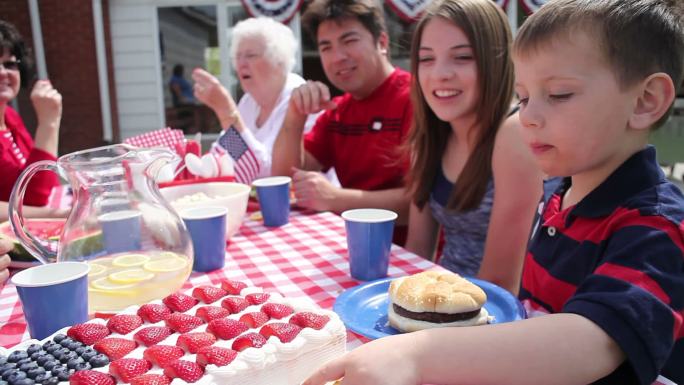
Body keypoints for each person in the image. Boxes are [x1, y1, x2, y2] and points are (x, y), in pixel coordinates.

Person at [303, 0, 684, 384]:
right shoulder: (561, 201)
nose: (529, 117)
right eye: (524, 97)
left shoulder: (657, 225)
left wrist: (418, 354)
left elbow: (591, 342)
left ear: (645, 100)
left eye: (559, 94)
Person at [403, 0, 541, 293]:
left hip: (498, 316)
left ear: (497, 60)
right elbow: (416, 252)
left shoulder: (515, 134)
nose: (440, 73)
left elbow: (501, 283)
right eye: (426, 59)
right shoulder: (430, 136)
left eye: (462, 57)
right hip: (440, 301)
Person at [271, 0, 412, 236]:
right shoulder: (338, 110)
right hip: (354, 247)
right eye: (326, 47)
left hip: (412, 259)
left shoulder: (415, 98)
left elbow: (423, 204)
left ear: (382, 42)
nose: (337, 57)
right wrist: (294, 114)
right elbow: (284, 179)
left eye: (349, 41)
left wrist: (336, 199)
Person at [192, 17, 318, 180]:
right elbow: (230, 154)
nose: (241, 64)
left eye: (251, 55)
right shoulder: (249, 101)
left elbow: (270, 174)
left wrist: (226, 111)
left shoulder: (297, 96)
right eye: (237, 57)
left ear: (278, 61)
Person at [0, 20, 63, 223]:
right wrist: (49, 123)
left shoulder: (10, 117)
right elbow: (36, 196)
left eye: (9, 64)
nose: (3, 72)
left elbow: (41, 180)